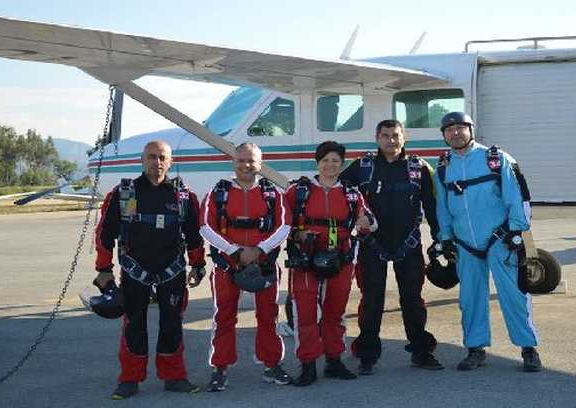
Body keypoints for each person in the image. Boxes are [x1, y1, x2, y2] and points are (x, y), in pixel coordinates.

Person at [94, 140, 206, 400]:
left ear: (170, 162)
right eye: (152, 157)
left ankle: (174, 377)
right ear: (142, 160)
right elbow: (105, 234)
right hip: (136, 271)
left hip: (172, 272)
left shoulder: (183, 196)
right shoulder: (125, 194)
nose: (157, 162)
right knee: (134, 325)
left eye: (162, 157)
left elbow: (194, 234)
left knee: (172, 324)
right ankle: (130, 379)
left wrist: (198, 264)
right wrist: (104, 269)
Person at [434, 112, 542, 372]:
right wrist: (445, 238)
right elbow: (442, 208)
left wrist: (517, 232)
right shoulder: (443, 167)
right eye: (449, 129)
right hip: (465, 244)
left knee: (514, 295)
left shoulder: (496, 159)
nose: (455, 133)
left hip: (500, 240)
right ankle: (475, 349)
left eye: (460, 127)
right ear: (444, 135)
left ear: (471, 129)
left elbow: (517, 197)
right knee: (470, 298)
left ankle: (528, 348)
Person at [341, 119, 442, 375]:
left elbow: (432, 206)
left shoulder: (419, 167)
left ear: (404, 138)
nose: (391, 140)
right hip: (371, 245)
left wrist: (440, 239)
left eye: (396, 135)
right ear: (377, 139)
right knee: (371, 300)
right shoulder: (362, 166)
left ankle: (421, 351)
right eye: (385, 136)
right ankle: (367, 355)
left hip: (409, 244)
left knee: (413, 299)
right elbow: (340, 194)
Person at [199, 142, 292, 391]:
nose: (246, 165)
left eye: (251, 161)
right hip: (227, 266)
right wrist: (235, 251)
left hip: (264, 265)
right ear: (234, 162)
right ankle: (220, 367)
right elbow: (205, 226)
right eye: (241, 160)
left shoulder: (273, 194)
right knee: (224, 317)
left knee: (268, 316)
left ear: (260, 164)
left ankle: (272, 365)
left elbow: (284, 226)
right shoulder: (218, 193)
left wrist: (259, 250)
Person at [284, 141, 376, 386]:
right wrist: (297, 234)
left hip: (340, 260)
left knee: (335, 312)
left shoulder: (351, 193)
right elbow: (281, 222)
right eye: (325, 160)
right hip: (305, 259)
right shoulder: (298, 191)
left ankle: (334, 360)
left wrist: (365, 225)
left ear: (342, 164)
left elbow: (370, 222)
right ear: (318, 163)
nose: (330, 165)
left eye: (335, 161)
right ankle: (308, 365)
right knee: (305, 313)